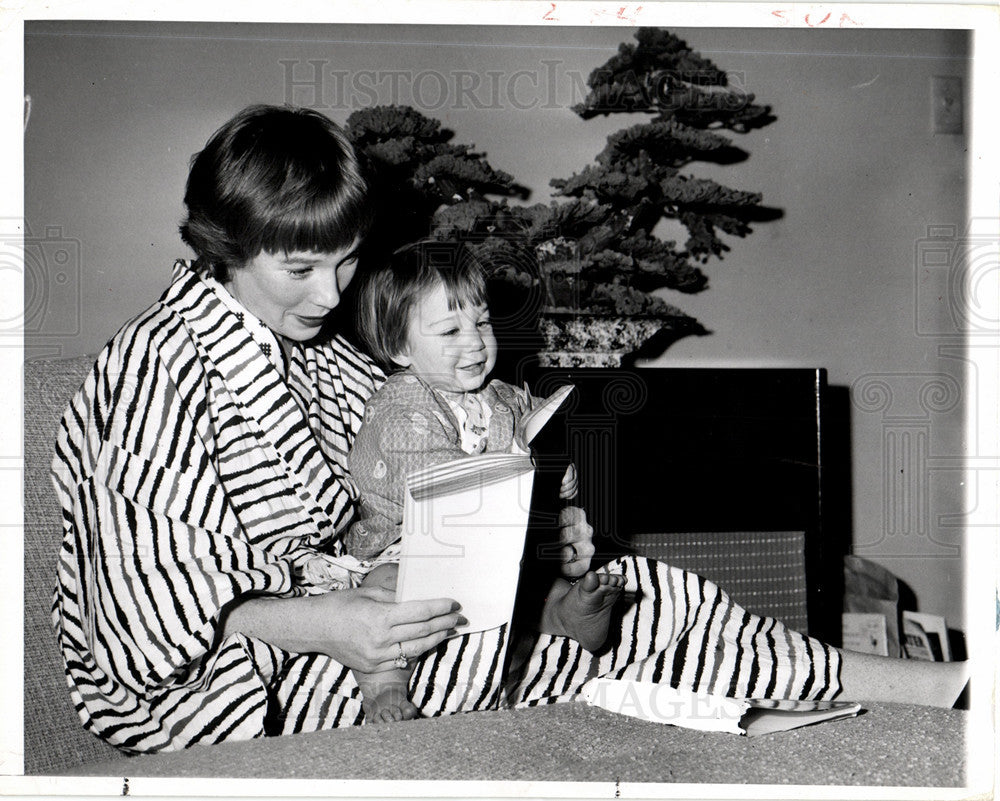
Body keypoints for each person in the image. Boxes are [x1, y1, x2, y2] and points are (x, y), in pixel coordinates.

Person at [51, 104, 967, 756]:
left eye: (346, 262)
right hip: (225, 675)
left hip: (369, 600)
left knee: (629, 586)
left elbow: (423, 480)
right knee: (526, 642)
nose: (331, 295)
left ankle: (939, 689)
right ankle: (707, 707)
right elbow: (143, 607)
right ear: (225, 243)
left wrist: (529, 529)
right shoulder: (152, 366)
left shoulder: (323, 347)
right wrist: (329, 622)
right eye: (301, 267)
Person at [343, 241, 626, 722]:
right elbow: (437, 476)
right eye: (450, 330)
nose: (474, 341)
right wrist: (512, 473)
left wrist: (553, 473)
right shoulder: (399, 405)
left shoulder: (500, 394)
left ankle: (566, 613)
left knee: (530, 577)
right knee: (386, 597)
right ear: (399, 348)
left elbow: (533, 432)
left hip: (491, 538)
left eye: (482, 322)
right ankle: (385, 686)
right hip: (411, 544)